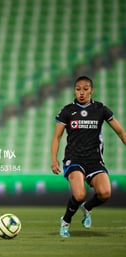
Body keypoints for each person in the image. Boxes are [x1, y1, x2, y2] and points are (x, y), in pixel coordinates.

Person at [51, 75, 126, 238]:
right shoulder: (67, 110)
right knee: (79, 194)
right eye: (78, 89)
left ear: (92, 90)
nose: (81, 93)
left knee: (105, 193)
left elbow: (120, 131)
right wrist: (53, 159)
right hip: (74, 158)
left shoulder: (101, 109)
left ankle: (88, 208)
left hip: (94, 160)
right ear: (74, 91)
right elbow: (56, 137)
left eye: (85, 89)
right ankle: (66, 220)